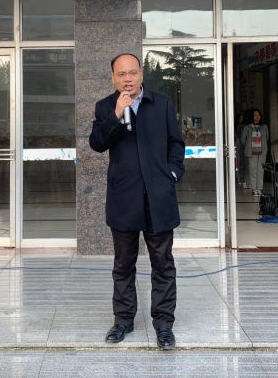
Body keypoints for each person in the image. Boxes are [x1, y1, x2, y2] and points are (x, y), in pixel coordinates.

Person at [89, 53, 185, 350]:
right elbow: (97, 143)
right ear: (113, 78)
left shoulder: (162, 103)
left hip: (158, 196)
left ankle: (164, 324)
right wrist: (116, 115)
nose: (127, 79)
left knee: (163, 264)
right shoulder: (105, 106)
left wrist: (172, 173)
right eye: (121, 74)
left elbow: (175, 143)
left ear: (141, 74)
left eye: (132, 72)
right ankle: (123, 320)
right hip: (124, 198)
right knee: (123, 265)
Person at [241, 109, 268, 197]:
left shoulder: (264, 127)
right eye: (255, 115)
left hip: (262, 152)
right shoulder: (247, 127)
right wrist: (249, 146)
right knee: (253, 170)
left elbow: (266, 138)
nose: (257, 117)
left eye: (258, 115)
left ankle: (259, 188)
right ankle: (254, 189)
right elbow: (243, 140)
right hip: (251, 152)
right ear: (251, 117)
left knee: (260, 170)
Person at [235, 113, 246, 187]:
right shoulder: (237, 126)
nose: (241, 119)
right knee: (237, 163)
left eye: (242, 118)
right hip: (238, 146)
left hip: (242, 146)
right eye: (240, 118)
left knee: (242, 163)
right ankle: (238, 178)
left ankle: (242, 178)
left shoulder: (244, 126)